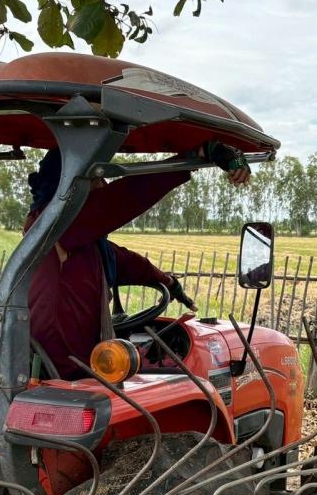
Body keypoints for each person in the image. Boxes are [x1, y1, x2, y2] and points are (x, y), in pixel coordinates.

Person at [25, 143, 250, 379]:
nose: (104, 185)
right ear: (72, 185)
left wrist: (169, 283)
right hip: (61, 372)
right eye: (97, 179)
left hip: (80, 365)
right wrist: (192, 156)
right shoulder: (55, 225)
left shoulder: (82, 244)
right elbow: (129, 195)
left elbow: (127, 263)